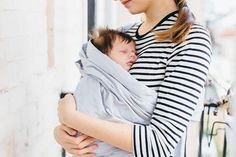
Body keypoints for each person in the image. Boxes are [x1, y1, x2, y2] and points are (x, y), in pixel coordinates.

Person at [54, 0, 212, 157]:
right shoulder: (120, 37)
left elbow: (159, 144)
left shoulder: (189, 39)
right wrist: (65, 133)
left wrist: (72, 118)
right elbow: (89, 98)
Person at [72, 27, 157, 156]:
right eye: (124, 51)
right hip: (99, 147)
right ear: (104, 58)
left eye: (134, 52)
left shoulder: (123, 81)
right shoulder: (91, 81)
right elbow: (87, 113)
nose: (133, 55)